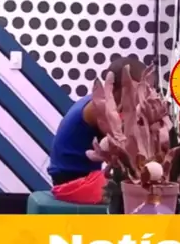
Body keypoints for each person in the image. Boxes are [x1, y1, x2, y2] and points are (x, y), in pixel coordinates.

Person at [48, 57, 146, 186]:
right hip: (71, 178)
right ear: (125, 87)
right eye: (140, 89)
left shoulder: (100, 101)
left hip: (77, 174)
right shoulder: (100, 107)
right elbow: (124, 144)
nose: (143, 95)